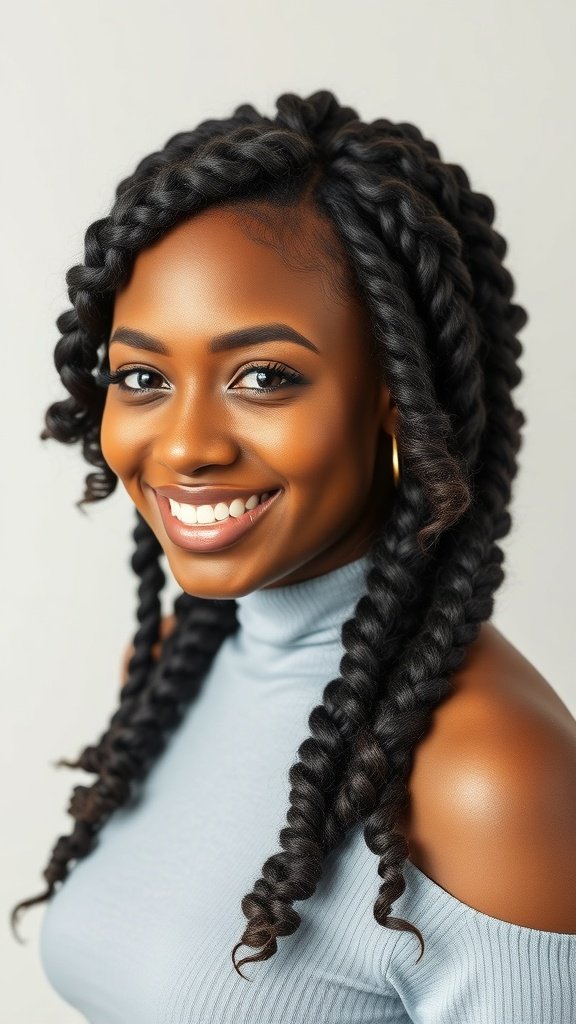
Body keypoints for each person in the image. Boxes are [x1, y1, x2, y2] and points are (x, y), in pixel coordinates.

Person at [10, 90, 576, 1022]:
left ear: (400, 403)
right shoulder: (163, 680)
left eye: (263, 377)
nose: (187, 444)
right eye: (142, 378)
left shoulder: (486, 779)